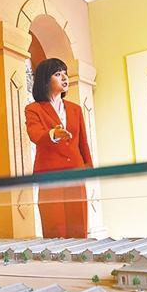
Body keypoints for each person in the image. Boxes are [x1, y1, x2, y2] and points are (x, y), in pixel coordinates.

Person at [25, 58, 93, 238]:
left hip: (76, 173)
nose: (64, 77)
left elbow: (83, 142)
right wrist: (53, 134)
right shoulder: (33, 109)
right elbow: (35, 134)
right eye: (57, 74)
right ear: (45, 80)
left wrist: (88, 167)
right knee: (54, 225)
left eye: (65, 73)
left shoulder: (75, 109)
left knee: (78, 222)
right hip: (50, 174)